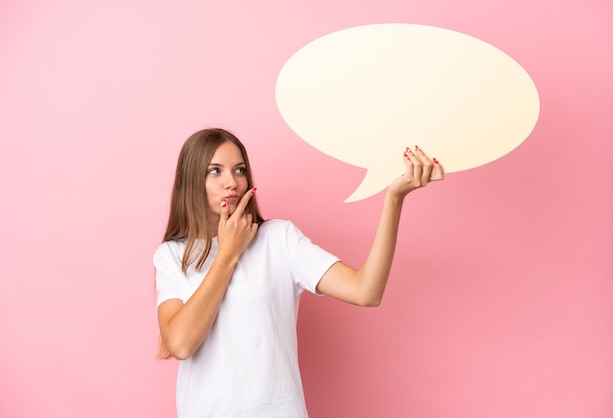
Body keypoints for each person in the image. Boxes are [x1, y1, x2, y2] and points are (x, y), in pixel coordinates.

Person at [154, 128, 444, 418]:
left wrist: (394, 199)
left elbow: (366, 291)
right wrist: (228, 254)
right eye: (215, 171)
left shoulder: (278, 239)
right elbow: (180, 344)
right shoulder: (171, 256)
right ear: (191, 181)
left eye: (239, 170)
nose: (232, 182)